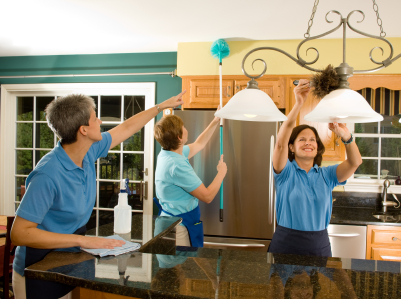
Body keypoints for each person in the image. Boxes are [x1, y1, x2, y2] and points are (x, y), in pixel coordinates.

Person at [11, 91, 185, 299]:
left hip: (71, 256)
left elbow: (127, 127)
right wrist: (83, 241)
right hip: (38, 267)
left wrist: (161, 106)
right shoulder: (47, 174)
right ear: (83, 130)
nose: (100, 121)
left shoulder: (89, 151)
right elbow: (20, 234)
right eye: (95, 118)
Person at [269, 79, 362, 257]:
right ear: (292, 147)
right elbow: (280, 143)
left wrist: (347, 137)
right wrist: (299, 104)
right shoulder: (285, 172)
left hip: (318, 245)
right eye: (302, 139)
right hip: (285, 243)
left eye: (312, 140)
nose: (308, 143)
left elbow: (354, 162)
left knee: (318, 286)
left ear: (317, 147)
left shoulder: (327, 175)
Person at [153, 111, 227, 247]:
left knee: (176, 268)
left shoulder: (169, 152)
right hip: (176, 228)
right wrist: (222, 173)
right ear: (179, 137)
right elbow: (208, 196)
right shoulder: (176, 165)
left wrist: (215, 120)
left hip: (172, 221)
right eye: (183, 127)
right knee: (174, 268)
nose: (186, 129)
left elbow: (200, 144)